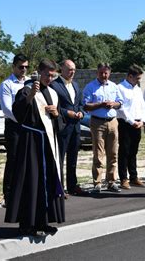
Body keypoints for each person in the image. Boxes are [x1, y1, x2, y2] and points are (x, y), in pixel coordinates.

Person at [4, 59, 65, 236]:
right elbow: (17, 113)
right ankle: (28, 224)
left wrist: (56, 114)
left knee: (47, 181)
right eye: (47, 75)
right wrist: (31, 95)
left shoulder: (53, 93)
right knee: (32, 182)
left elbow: (59, 121)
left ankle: (43, 221)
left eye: (53, 75)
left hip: (48, 143)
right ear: (39, 72)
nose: (50, 78)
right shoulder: (25, 90)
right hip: (31, 141)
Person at [83, 63, 123, 193]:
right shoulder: (90, 87)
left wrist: (114, 104)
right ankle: (97, 183)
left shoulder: (114, 86)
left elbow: (120, 103)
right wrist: (100, 104)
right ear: (97, 72)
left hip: (112, 122)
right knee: (98, 154)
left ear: (109, 73)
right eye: (101, 73)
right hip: (97, 122)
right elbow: (86, 106)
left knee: (113, 153)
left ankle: (111, 181)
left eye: (106, 73)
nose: (104, 75)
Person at [50, 59, 87, 196]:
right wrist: (67, 113)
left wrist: (81, 113)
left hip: (76, 127)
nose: (72, 72)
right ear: (62, 69)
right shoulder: (54, 85)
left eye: (74, 70)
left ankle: (72, 185)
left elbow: (81, 104)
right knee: (60, 158)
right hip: (62, 127)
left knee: (73, 158)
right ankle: (60, 187)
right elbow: (55, 106)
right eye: (70, 69)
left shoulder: (76, 85)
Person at [0, 53, 30, 204]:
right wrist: (22, 120)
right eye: (20, 67)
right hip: (14, 126)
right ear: (14, 67)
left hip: (29, 127)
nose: (23, 69)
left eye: (26, 67)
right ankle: (8, 194)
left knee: (27, 160)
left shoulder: (30, 84)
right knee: (13, 159)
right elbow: (7, 109)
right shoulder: (7, 84)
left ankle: (23, 192)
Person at [117, 64, 145, 189]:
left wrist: (143, 121)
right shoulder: (120, 88)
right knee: (124, 151)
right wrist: (130, 121)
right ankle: (123, 178)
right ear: (130, 76)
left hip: (137, 123)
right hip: (126, 123)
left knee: (133, 151)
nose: (139, 81)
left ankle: (133, 177)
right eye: (137, 78)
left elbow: (142, 106)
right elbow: (122, 108)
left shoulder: (138, 89)